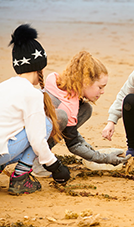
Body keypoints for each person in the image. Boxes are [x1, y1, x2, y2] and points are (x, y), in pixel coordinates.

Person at [0, 24, 70, 195]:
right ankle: (20, 178)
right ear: (41, 66)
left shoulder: (4, 86)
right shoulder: (32, 94)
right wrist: (55, 166)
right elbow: (37, 139)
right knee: (45, 124)